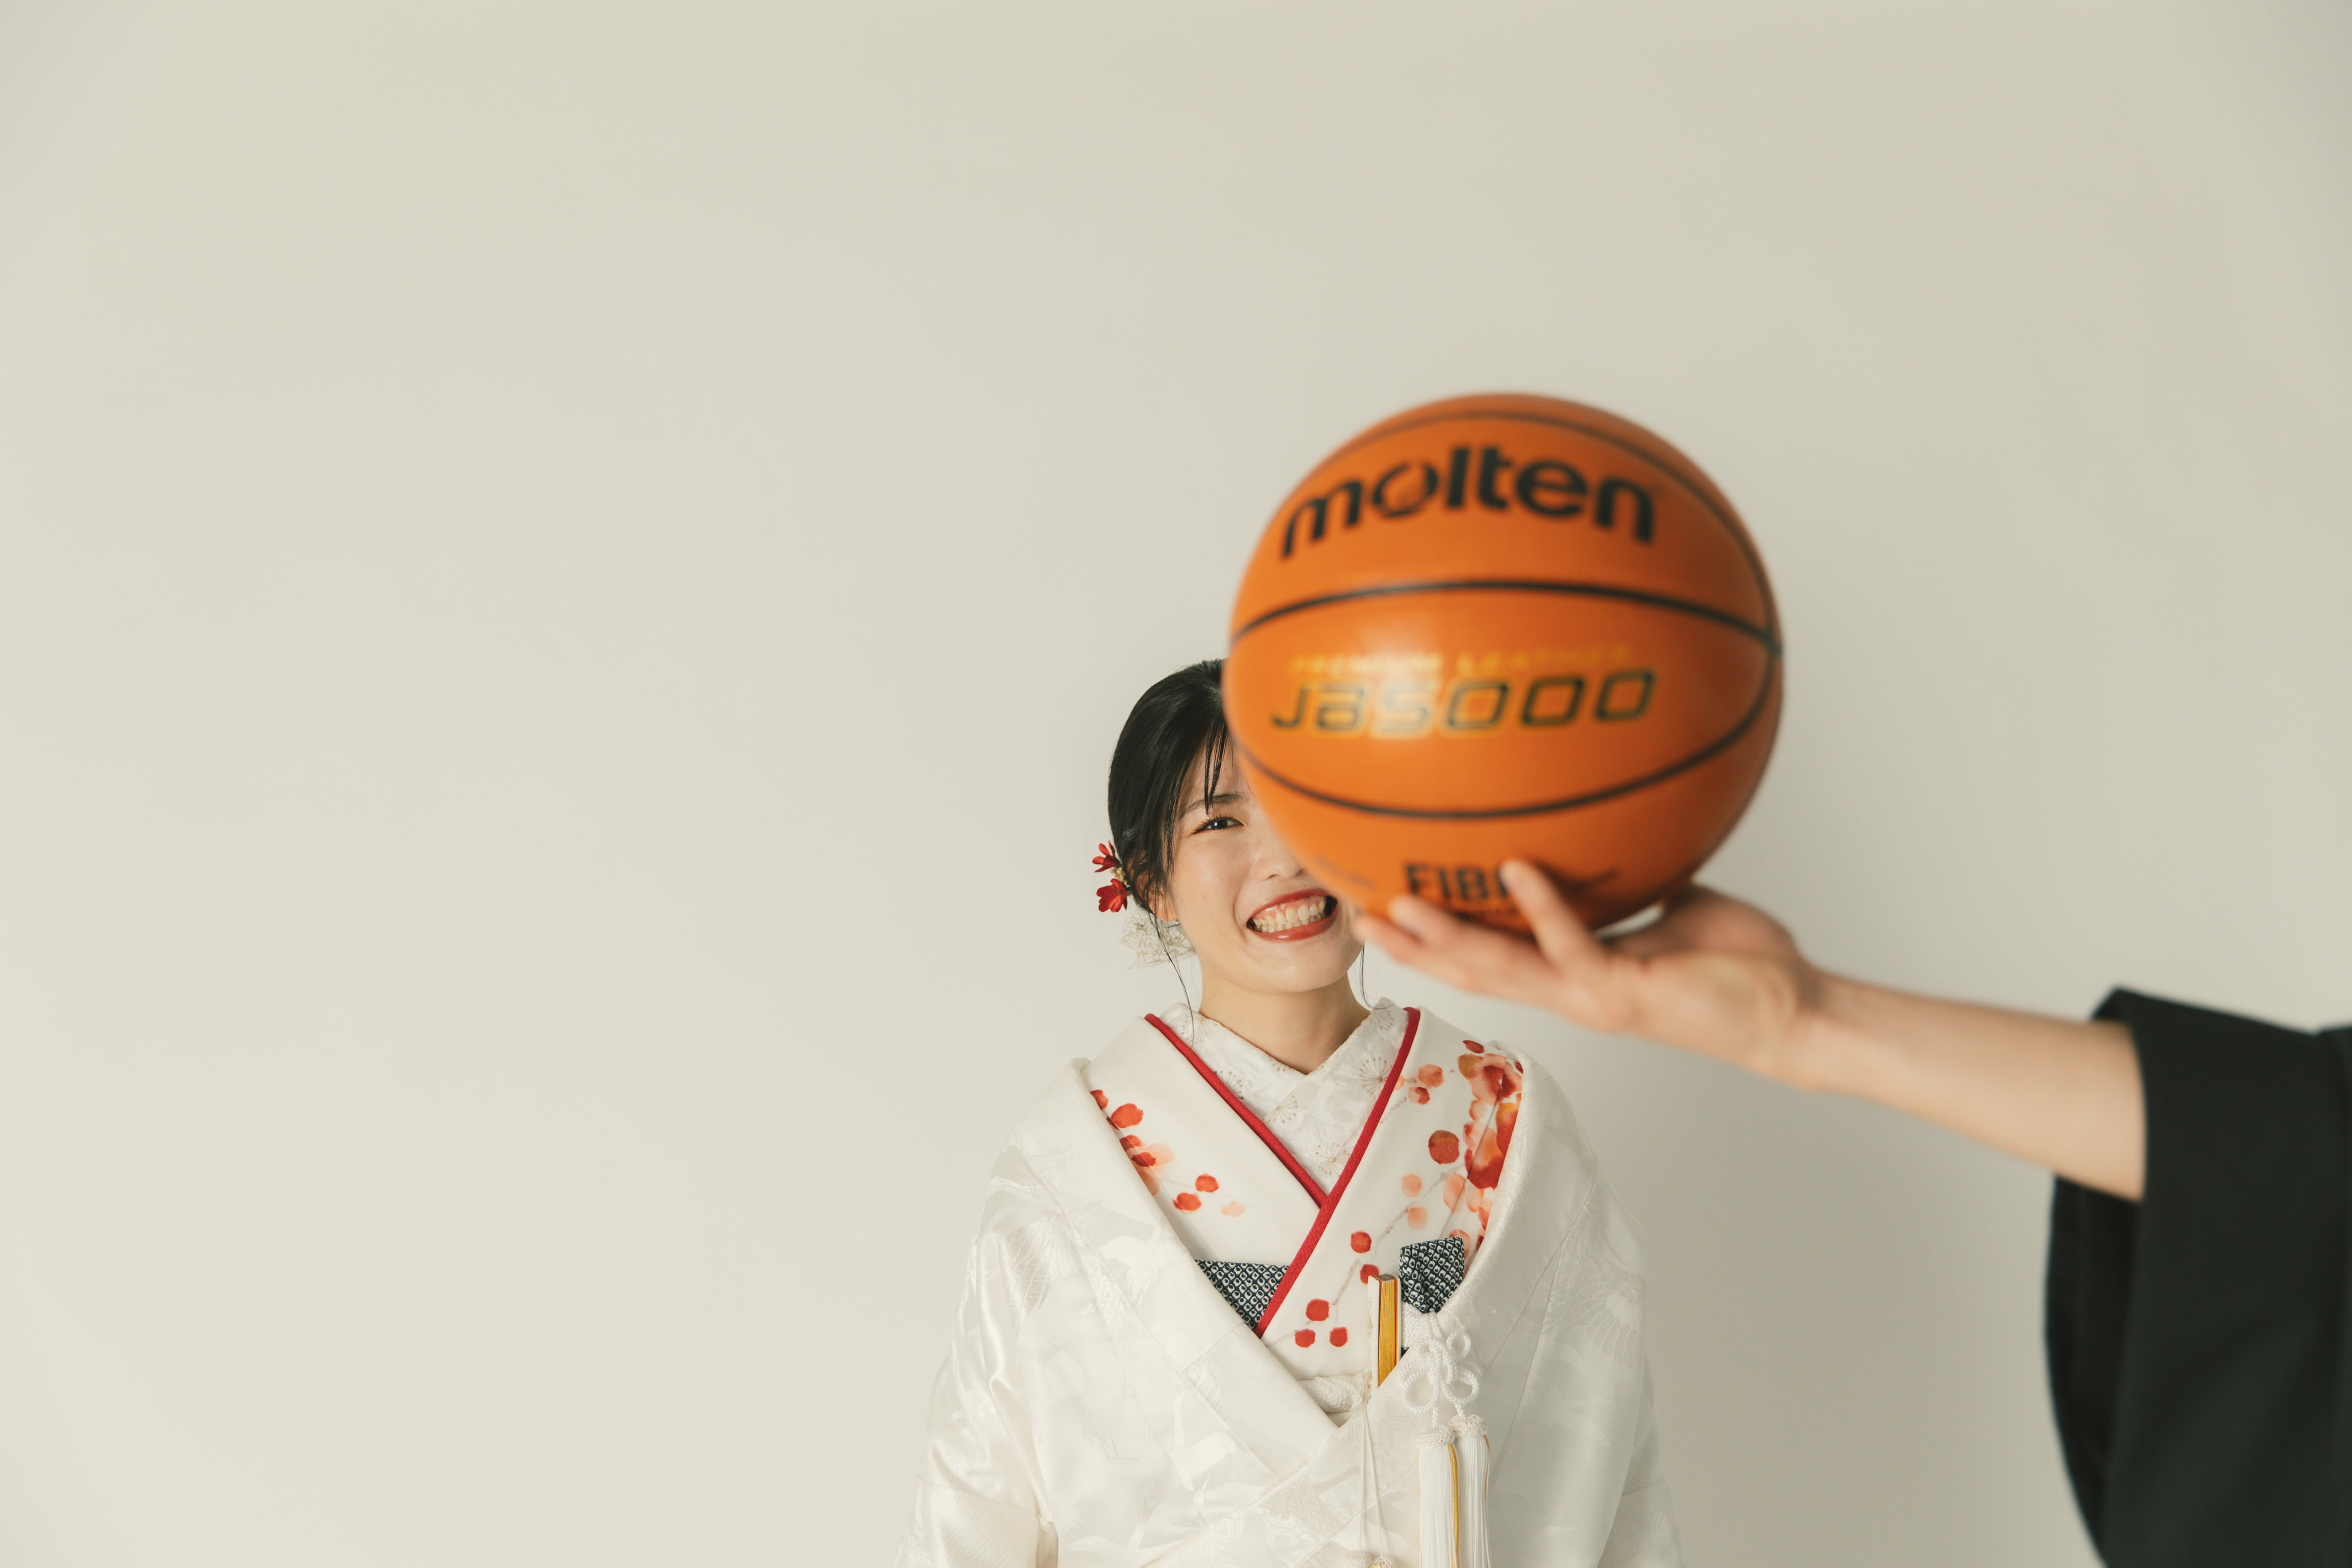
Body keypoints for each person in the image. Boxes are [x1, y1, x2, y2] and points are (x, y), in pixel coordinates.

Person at [897, 663, 1681, 1568]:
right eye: (1221, 821)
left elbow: (1614, 1467)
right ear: (1150, 879)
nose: (1285, 858)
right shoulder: (1077, 1163)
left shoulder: (1500, 1116)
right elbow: (978, 1503)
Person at [1359, 862, 2352, 1568]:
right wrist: (1800, 1021)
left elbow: (2287, 1161)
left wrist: (1804, 1025)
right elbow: (2283, 1153)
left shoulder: (1501, 1119)